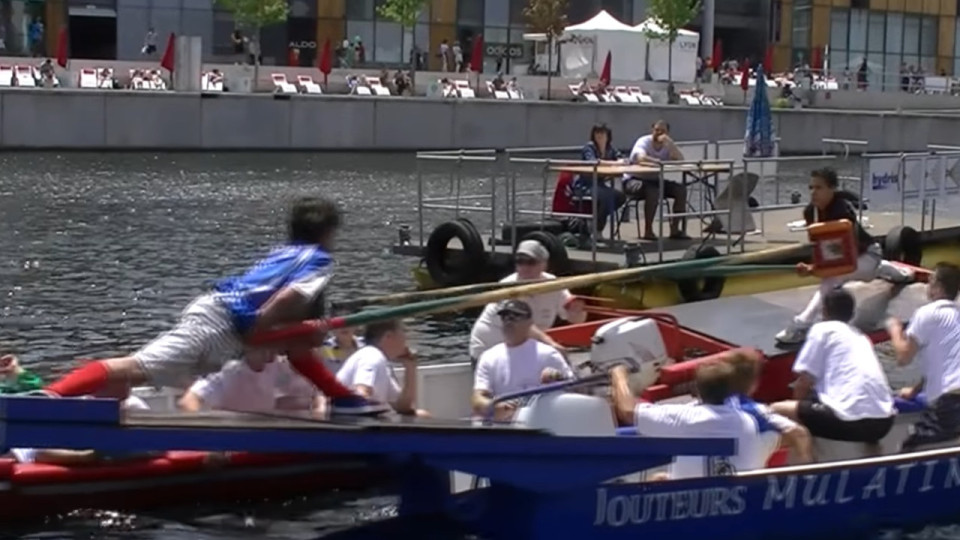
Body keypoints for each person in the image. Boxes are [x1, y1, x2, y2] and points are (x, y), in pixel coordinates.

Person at [43, 197, 386, 415]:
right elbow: (289, 298)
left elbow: (299, 336)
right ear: (328, 233)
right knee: (136, 368)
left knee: (298, 344)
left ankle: (342, 398)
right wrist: (258, 326)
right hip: (221, 320)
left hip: (228, 321)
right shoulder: (319, 260)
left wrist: (305, 329)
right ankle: (48, 397)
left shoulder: (284, 253)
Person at [776, 167, 912, 344]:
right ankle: (893, 271)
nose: (813, 192)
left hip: (868, 254)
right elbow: (820, 248)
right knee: (841, 275)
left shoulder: (842, 211)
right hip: (850, 261)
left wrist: (816, 269)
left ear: (832, 189)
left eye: (819, 187)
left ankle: (801, 325)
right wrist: (811, 267)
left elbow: (846, 252)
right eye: (811, 188)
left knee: (834, 277)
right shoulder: (810, 213)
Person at [771, 288, 896, 445]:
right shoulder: (860, 337)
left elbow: (803, 382)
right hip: (884, 422)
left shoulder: (822, 330)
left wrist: (798, 415)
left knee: (775, 410)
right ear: (852, 314)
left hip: (850, 421)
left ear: (824, 311)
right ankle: (871, 451)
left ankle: (804, 458)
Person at [610, 360, 772, 479]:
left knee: (656, 479)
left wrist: (619, 376)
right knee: (661, 477)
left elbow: (627, 412)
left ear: (697, 391)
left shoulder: (685, 418)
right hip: (736, 501)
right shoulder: (748, 421)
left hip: (691, 504)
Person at [468, 240, 586, 365]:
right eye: (520, 261)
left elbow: (577, 320)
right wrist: (551, 344)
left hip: (521, 348)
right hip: (489, 352)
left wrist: (576, 311)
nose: (524, 267)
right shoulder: (508, 287)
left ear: (543, 264)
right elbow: (522, 326)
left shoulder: (553, 284)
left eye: (530, 262)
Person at [887, 262, 960, 451]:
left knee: (909, 448)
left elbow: (904, 357)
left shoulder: (927, 313)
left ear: (937, 287)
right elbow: (944, 362)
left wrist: (894, 329)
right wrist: (914, 390)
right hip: (953, 395)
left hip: (951, 400)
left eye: (930, 282)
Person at [472, 300, 574, 421]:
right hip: (505, 425)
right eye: (504, 317)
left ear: (529, 322)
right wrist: (492, 406)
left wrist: (557, 377)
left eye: (515, 316)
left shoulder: (548, 354)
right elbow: (478, 397)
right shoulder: (488, 357)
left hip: (541, 421)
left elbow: (574, 388)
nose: (508, 321)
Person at [723, 350, 813, 463]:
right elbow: (798, 432)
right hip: (741, 463)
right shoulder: (756, 410)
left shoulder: (704, 402)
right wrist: (805, 458)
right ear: (754, 384)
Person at [336, 319, 427, 417]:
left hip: (359, 416)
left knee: (422, 415)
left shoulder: (380, 361)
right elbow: (361, 391)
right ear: (389, 336)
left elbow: (403, 407)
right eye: (403, 333)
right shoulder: (371, 355)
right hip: (354, 420)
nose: (406, 340)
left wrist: (410, 367)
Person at [178, 355, 320, 414]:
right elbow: (189, 401)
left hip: (264, 434)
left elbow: (277, 402)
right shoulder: (230, 371)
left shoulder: (276, 364)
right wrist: (209, 442)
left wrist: (315, 404)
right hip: (231, 437)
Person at [622, 120, 689, 240]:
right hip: (633, 180)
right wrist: (657, 162)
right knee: (653, 192)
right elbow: (640, 158)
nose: (659, 133)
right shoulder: (643, 141)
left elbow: (680, 160)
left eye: (662, 131)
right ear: (652, 130)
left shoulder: (667, 145)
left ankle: (675, 229)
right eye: (656, 130)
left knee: (680, 190)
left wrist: (671, 145)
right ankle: (648, 230)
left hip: (654, 180)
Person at [574, 123, 627, 236]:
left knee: (620, 197)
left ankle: (597, 221)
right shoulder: (589, 147)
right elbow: (592, 162)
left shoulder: (610, 149)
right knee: (606, 197)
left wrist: (621, 161)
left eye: (602, 133)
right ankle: (597, 229)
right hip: (586, 185)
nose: (600, 135)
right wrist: (613, 163)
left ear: (608, 135)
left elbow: (622, 159)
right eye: (597, 132)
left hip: (600, 185)